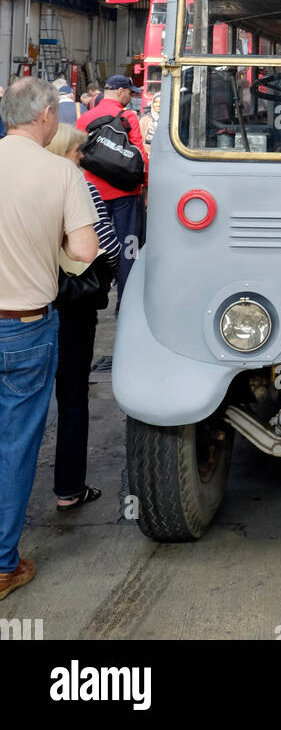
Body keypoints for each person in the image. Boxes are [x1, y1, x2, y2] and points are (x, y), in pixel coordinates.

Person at [0, 78, 98, 601]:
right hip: (24, 325)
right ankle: (1, 565)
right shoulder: (62, 172)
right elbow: (84, 251)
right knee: (14, 446)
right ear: (42, 115)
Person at [46, 124, 121, 511]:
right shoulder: (78, 186)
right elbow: (104, 248)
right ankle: (69, 488)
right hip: (72, 307)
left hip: (27, 302)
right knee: (72, 396)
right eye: (79, 152)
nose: (84, 160)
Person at [76, 74, 147, 304]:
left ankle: (94, 295)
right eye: (130, 92)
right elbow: (140, 157)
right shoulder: (128, 118)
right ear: (119, 91)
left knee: (94, 245)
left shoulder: (85, 118)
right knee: (129, 246)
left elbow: (76, 154)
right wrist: (145, 185)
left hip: (93, 193)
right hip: (126, 194)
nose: (131, 96)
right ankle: (125, 301)